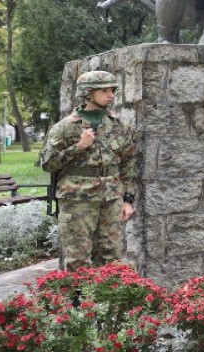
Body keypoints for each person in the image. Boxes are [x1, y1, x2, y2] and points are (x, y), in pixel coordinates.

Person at [40, 71, 138, 271]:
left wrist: (127, 199)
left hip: (111, 198)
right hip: (78, 199)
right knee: (78, 259)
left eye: (112, 90)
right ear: (87, 93)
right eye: (104, 90)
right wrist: (79, 146)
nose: (110, 95)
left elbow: (128, 163)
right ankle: (80, 303)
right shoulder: (65, 128)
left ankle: (108, 301)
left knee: (111, 256)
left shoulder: (119, 125)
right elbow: (48, 164)